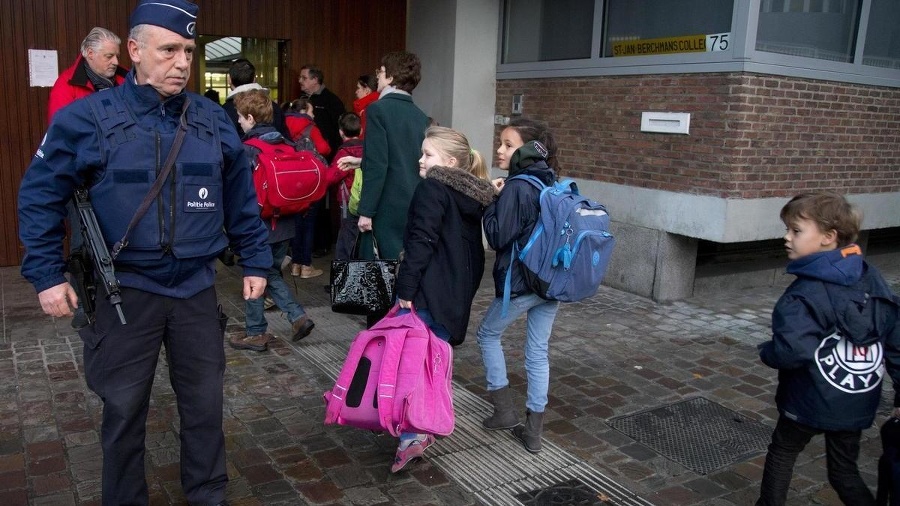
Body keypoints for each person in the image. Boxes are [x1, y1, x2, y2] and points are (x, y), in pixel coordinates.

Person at [17, 1, 272, 504]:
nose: (182, 62)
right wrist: (47, 274)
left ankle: (207, 494)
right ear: (134, 51)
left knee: (204, 405)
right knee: (124, 409)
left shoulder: (211, 119)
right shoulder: (86, 118)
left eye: (190, 52)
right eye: (169, 50)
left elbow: (241, 194)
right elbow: (39, 194)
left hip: (195, 288)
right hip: (124, 292)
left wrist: (256, 258)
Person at [756, 192, 900, 505]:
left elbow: (791, 350)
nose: (786, 238)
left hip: (808, 399)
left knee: (783, 453)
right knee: (843, 471)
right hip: (857, 401)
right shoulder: (871, 277)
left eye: (795, 231)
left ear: (828, 237)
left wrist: (767, 351)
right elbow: (895, 339)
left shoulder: (803, 293)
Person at [390, 126, 495, 473]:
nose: (421, 159)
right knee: (432, 363)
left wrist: (405, 289)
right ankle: (423, 425)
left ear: (449, 162)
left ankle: (412, 435)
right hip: (453, 293)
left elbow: (421, 241)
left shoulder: (433, 187)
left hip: (428, 292)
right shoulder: (470, 196)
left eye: (428, 154)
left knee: (413, 364)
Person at [476, 117, 562, 454]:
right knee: (537, 353)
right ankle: (533, 432)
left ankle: (504, 411)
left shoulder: (516, 186)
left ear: (526, 149)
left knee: (487, 334)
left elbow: (498, 236)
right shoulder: (549, 180)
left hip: (524, 282)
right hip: (551, 282)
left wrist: (490, 200)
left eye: (508, 145)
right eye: (500, 142)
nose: (499, 149)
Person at [231, 89, 316, 351]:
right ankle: (285, 321)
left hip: (259, 226)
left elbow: (239, 192)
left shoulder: (248, 150)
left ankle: (263, 329)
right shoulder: (288, 144)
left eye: (240, 118)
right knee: (268, 272)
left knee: (256, 271)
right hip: (287, 223)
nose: (238, 122)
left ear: (250, 118)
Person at [356, 51, 430, 326]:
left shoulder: (377, 110)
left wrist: (366, 211)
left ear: (391, 76)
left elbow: (379, 164)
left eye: (381, 70)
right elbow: (403, 156)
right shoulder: (421, 116)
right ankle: (403, 332)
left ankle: (379, 341)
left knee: (376, 283)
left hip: (384, 205)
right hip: (413, 200)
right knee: (403, 273)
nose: (377, 75)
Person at [47, 26, 129, 123]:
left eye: (117, 56)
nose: (116, 62)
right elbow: (60, 129)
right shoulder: (66, 84)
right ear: (90, 54)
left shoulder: (128, 78)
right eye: (109, 56)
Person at [327, 112, 364, 262]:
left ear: (340, 132)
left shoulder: (343, 153)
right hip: (367, 199)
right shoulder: (368, 149)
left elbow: (330, 178)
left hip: (349, 201)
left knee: (346, 240)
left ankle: (344, 280)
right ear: (361, 131)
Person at [222, 58, 290, 139]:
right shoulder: (273, 106)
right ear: (254, 79)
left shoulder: (225, 111)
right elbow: (286, 139)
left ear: (229, 79)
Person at [298, 64, 346, 157]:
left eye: (304, 78)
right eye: (299, 77)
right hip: (305, 152)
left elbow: (339, 129)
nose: (299, 81)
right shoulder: (300, 99)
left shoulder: (332, 100)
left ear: (315, 80)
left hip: (326, 154)